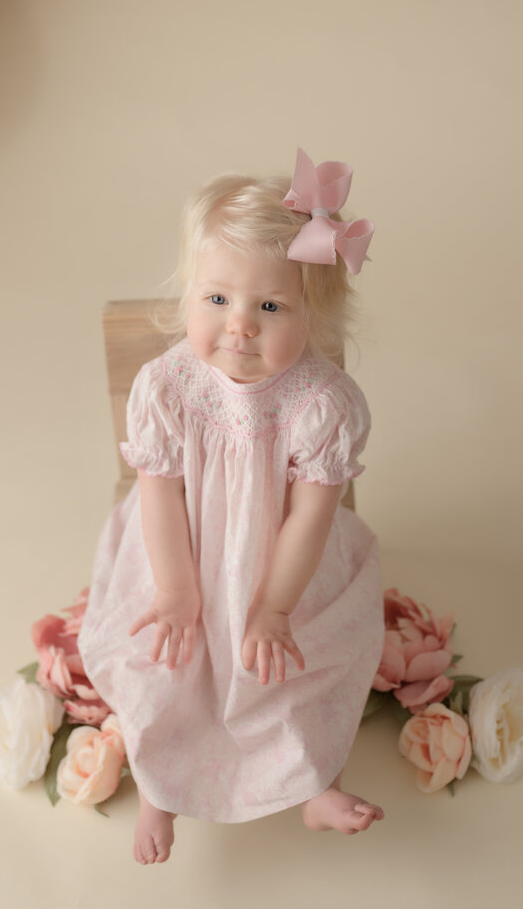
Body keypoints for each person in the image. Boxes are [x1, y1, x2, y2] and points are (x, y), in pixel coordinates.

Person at [78, 148, 385, 864]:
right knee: (165, 657)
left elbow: (312, 516)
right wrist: (180, 589)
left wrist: (274, 606)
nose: (239, 325)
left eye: (270, 306)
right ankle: (161, 792)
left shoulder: (322, 404)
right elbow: (158, 490)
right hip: (180, 549)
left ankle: (314, 785)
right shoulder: (169, 385)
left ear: (314, 314)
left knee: (297, 670)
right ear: (189, 293)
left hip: (281, 565)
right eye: (217, 300)